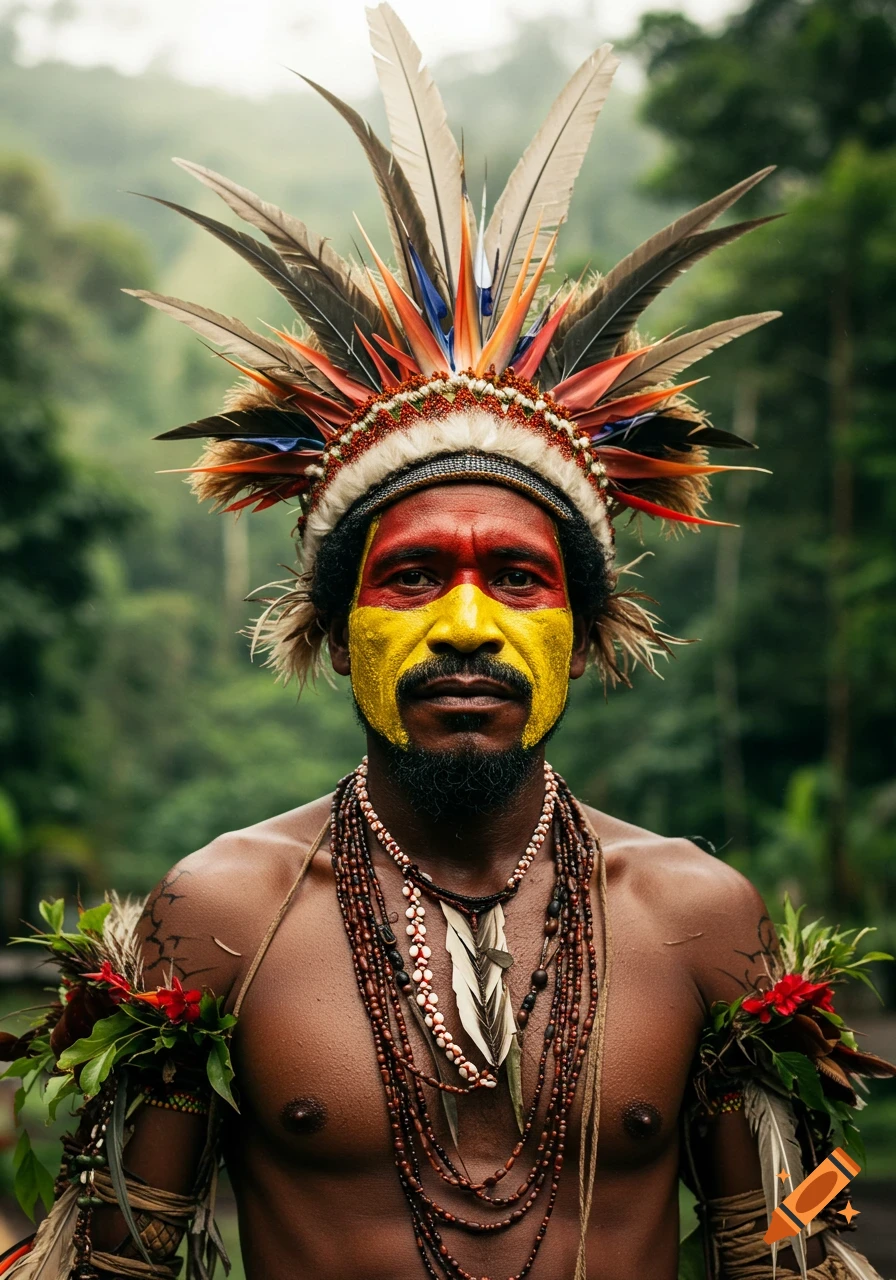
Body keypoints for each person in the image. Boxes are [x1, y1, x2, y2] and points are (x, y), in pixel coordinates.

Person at [3, 7, 893, 1280]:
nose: (464, 626)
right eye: (414, 574)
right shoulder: (223, 915)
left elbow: (794, 1253)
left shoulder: (697, 916)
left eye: (516, 579)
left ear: (583, 637)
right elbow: (111, 1266)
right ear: (333, 625)